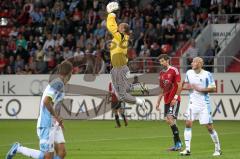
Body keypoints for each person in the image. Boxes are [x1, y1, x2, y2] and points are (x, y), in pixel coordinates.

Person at [6, 61, 73, 159]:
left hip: (54, 123)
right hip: (46, 123)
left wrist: (58, 121)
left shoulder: (60, 84)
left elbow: (54, 103)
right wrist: (57, 117)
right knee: (47, 157)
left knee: (62, 153)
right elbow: (46, 101)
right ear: (70, 73)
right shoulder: (58, 83)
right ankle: (18, 148)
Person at [106, 2, 146, 110]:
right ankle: (140, 88)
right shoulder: (120, 37)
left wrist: (111, 14)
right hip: (117, 67)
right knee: (122, 89)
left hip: (120, 67)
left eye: (120, 26)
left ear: (123, 30)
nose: (118, 26)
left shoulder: (122, 36)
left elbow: (111, 26)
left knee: (122, 94)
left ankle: (139, 100)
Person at [180, 57, 222, 156]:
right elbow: (184, 85)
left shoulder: (207, 74)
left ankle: (218, 149)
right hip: (192, 104)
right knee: (188, 123)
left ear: (200, 63)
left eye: (194, 62)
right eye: (192, 62)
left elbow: (213, 88)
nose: (192, 63)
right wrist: (189, 87)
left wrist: (200, 89)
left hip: (204, 105)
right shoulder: (189, 73)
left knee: (209, 127)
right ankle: (187, 149)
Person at [156, 54, 182, 151]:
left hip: (174, 100)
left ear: (167, 60)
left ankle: (178, 143)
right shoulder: (161, 73)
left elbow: (180, 86)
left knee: (170, 119)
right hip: (166, 100)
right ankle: (177, 144)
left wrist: (175, 97)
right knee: (169, 121)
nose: (161, 63)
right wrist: (158, 102)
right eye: (160, 62)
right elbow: (162, 89)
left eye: (163, 61)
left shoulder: (174, 70)